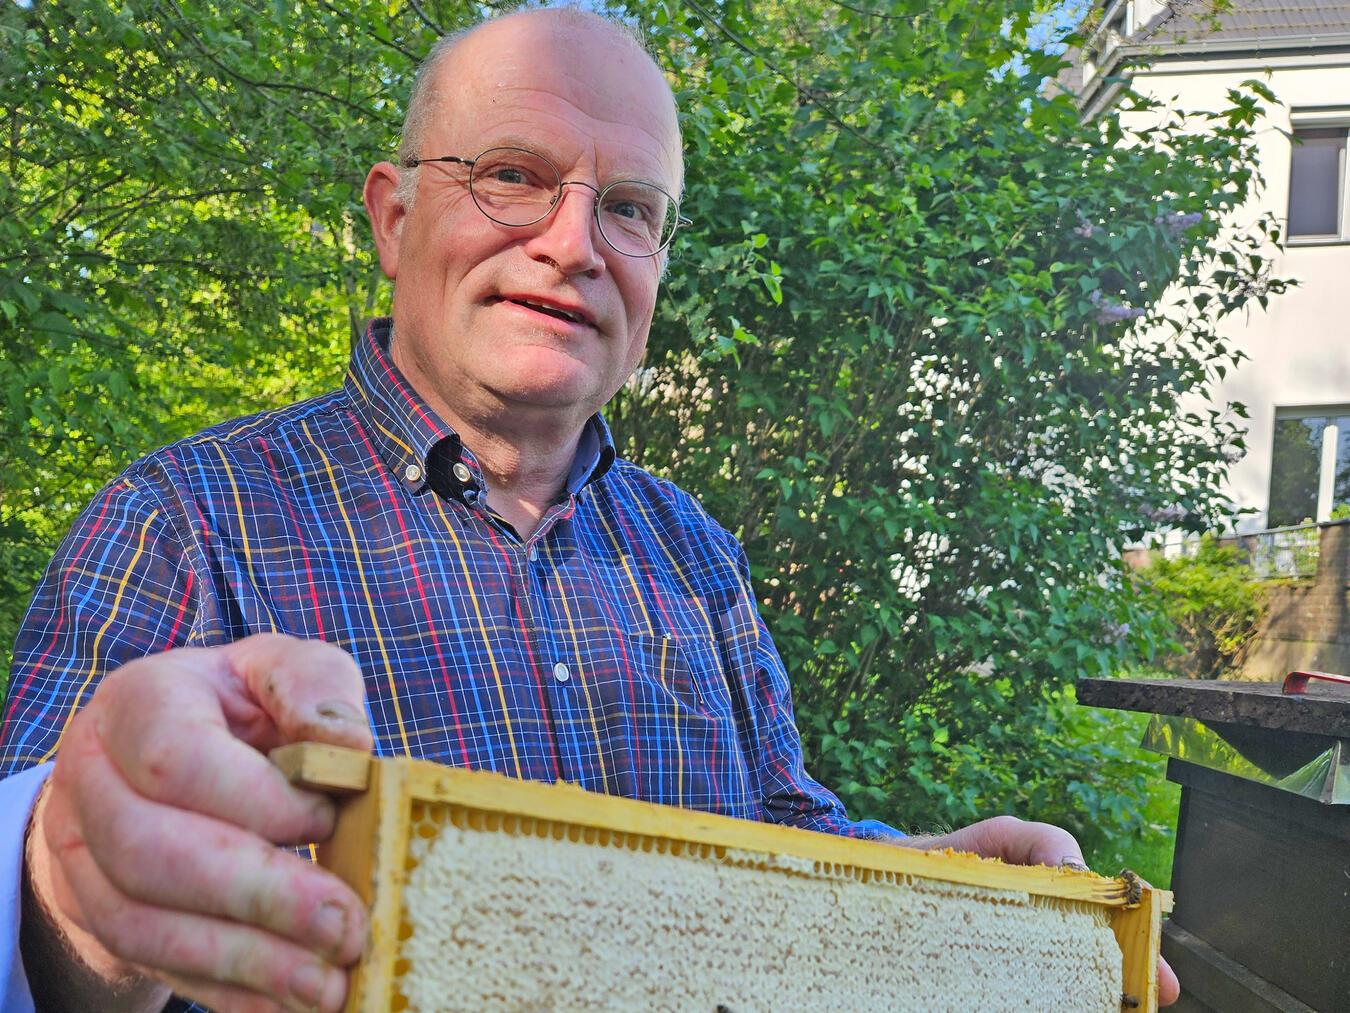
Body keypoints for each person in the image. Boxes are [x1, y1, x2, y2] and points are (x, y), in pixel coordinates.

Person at [0, 8, 1179, 1012]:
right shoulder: (185, 520)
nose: (572, 244)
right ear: (394, 216)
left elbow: (774, 838)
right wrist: (67, 882)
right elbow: (42, 915)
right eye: (512, 174)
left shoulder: (694, 552)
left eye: (627, 206)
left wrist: (936, 874)